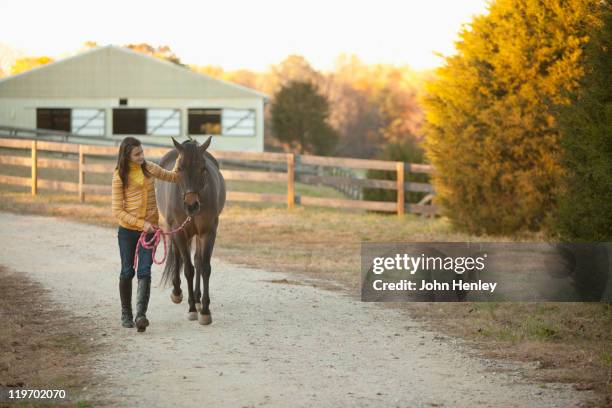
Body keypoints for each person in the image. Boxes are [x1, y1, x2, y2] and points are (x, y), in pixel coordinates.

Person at [111, 137, 180, 332]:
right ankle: (126, 313)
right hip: (128, 231)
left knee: (144, 271)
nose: (142, 156)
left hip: (150, 232)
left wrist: (182, 158)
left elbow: (173, 177)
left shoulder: (149, 168)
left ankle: (141, 315)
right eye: (137, 154)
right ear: (127, 156)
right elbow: (118, 211)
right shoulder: (119, 177)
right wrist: (142, 224)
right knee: (127, 271)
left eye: (142, 152)